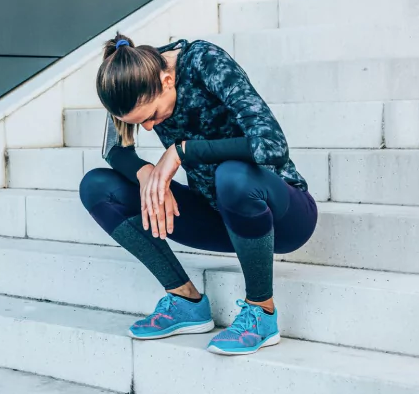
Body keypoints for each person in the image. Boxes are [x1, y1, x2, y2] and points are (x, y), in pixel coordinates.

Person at [79, 33, 317, 356]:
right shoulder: (132, 74)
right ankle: (185, 300)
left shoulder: (203, 62)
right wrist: (145, 172)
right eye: (139, 122)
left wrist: (181, 151)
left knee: (230, 176)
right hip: (216, 215)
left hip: (281, 213)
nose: (148, 128)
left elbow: (270, 144)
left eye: (150, 116)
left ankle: (262, 312)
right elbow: (113, 149)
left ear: (166, 80)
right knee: (97, 187)